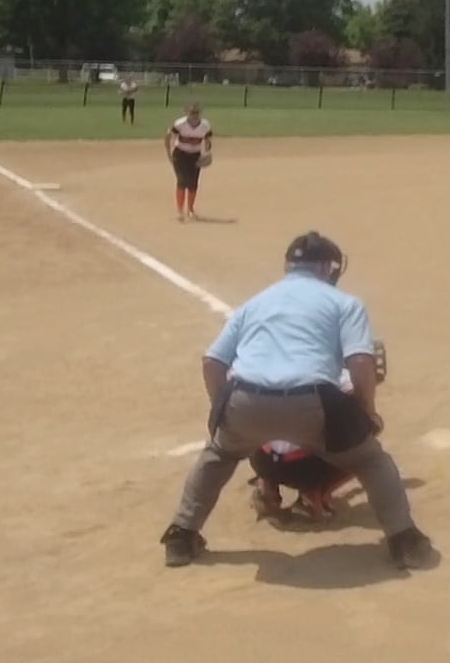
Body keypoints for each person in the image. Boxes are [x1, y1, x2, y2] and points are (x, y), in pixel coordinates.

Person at [160, 232, 433, 570]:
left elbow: (212, 362)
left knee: (219, 455)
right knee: (371, 460)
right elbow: (361, 362)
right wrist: (367, 411)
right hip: (311, 403)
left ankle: (181, 536)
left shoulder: (255, 303)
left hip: (245, 401)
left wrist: (222, 412)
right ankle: (404, 541)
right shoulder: (343, 303)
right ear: (327, 268)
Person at [246, 340, 387, 523]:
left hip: (260, 459)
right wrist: (369, 393)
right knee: (366, 440)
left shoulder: (270, 364)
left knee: (267, 429)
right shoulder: (338, 376)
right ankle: (312, 496)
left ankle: (266, 487)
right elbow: (364, 418)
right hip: (301, 469)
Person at [164, 103, 213, 223]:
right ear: (187, 113)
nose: (194, 115)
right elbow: (168, 137)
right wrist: (169, 153)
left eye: (196, 113)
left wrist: (207, 151)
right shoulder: (180, 124)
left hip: (195, 156)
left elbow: (208, 140)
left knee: (193, 183)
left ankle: (190, 210)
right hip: (180, 155)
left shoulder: (205, 125)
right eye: (192, 113)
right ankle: (180, 211)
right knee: (182, 181)